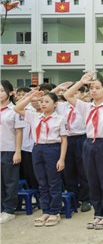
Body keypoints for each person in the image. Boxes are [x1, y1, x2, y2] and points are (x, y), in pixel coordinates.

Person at [64, 72, 103, 229]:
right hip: (89, 144)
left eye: (97, 88)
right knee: (93, 181)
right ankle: (98, 214)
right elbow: (67, 95)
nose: (94, 91)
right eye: (91, 88)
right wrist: (81, 82)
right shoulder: (86, 107)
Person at [14, 90, 67, 227]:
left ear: (55, 104)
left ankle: (55, 211)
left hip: (53, 148)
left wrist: (61, 159)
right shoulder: (35, 116)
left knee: (53, 182)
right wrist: (30, 97)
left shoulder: (60, 119)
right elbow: (17, 108)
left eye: (47, 102)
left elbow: (64, 140)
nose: (43, 104)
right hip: (37, 148)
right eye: (41, 101)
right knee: (42, 182)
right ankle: (45, 210)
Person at [53, 82, 91, 212]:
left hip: (81, 138)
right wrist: (58, 88)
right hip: (66, 139)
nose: (73, 95)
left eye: (76, 92)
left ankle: (85, 199)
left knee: (83, 170)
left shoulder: (85, 106)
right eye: (71, 92)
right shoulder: (61, 106)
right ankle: (73, 198)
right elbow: (47, 97)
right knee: (69, 171)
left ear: (82, 94)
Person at [0, 81, 24, 224]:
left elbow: (19, 132)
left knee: (10, 181)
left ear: (10, 93)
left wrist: (17, 151)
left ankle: (9, 209)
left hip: (9, 149)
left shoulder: (14, 110)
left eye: (2, 91)